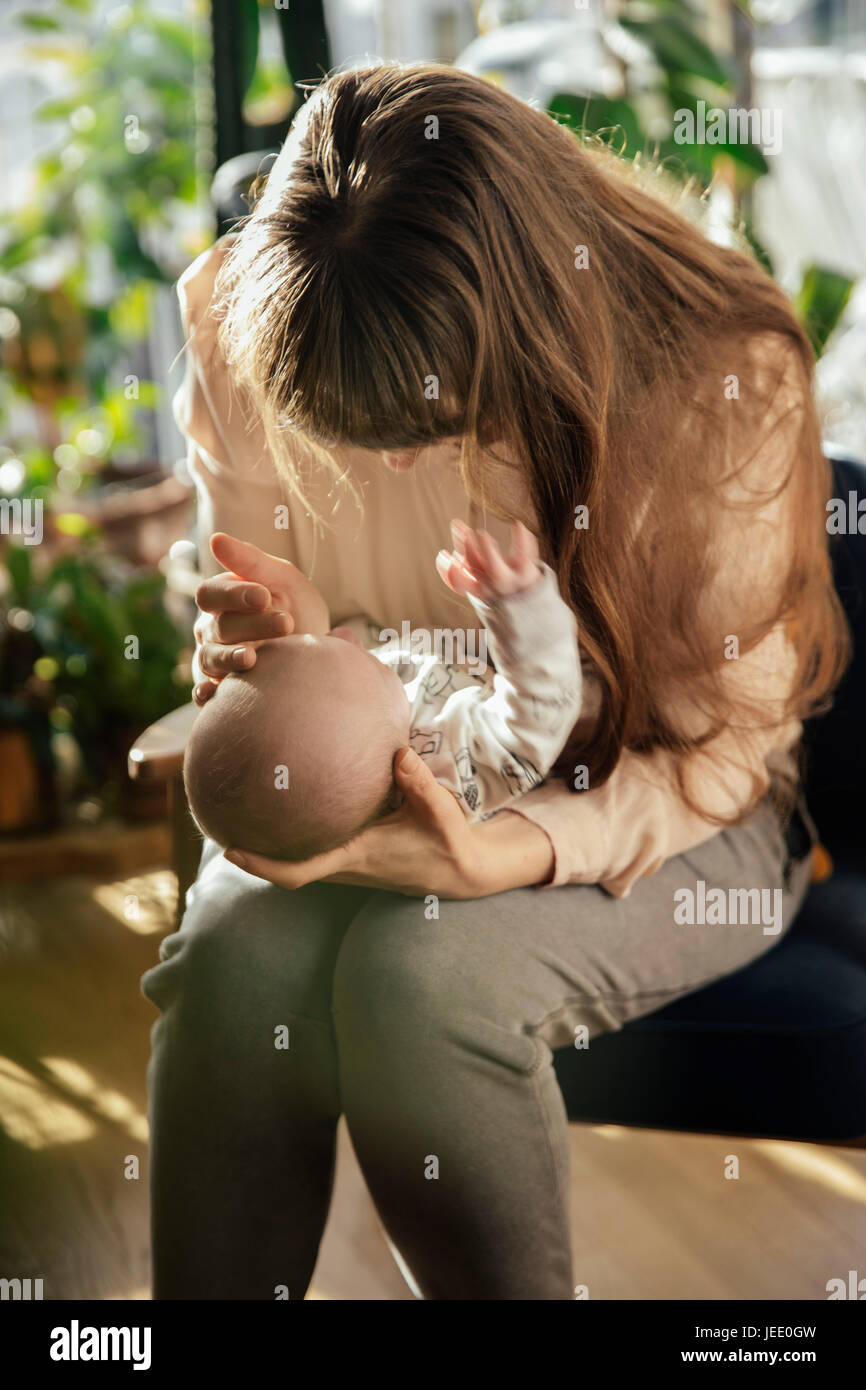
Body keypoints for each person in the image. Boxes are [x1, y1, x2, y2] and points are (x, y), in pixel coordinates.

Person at [141, 61, 849, 1301]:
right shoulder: (233, 320)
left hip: (671, 800)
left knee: (426, 980)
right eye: (343, 435)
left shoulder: (717, 376)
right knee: (234, 955)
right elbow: (255, 590)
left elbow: (720, 758)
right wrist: (273, 642)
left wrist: (501, 854)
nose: (398, 462)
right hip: (381, 762)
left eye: (433, 421)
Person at [182, 519, 583, 859]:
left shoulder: (357, 733)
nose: (348, 637)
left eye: (329, 640)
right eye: (356, 655)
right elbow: (539, 712)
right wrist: (519, 608)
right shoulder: (444, 768)